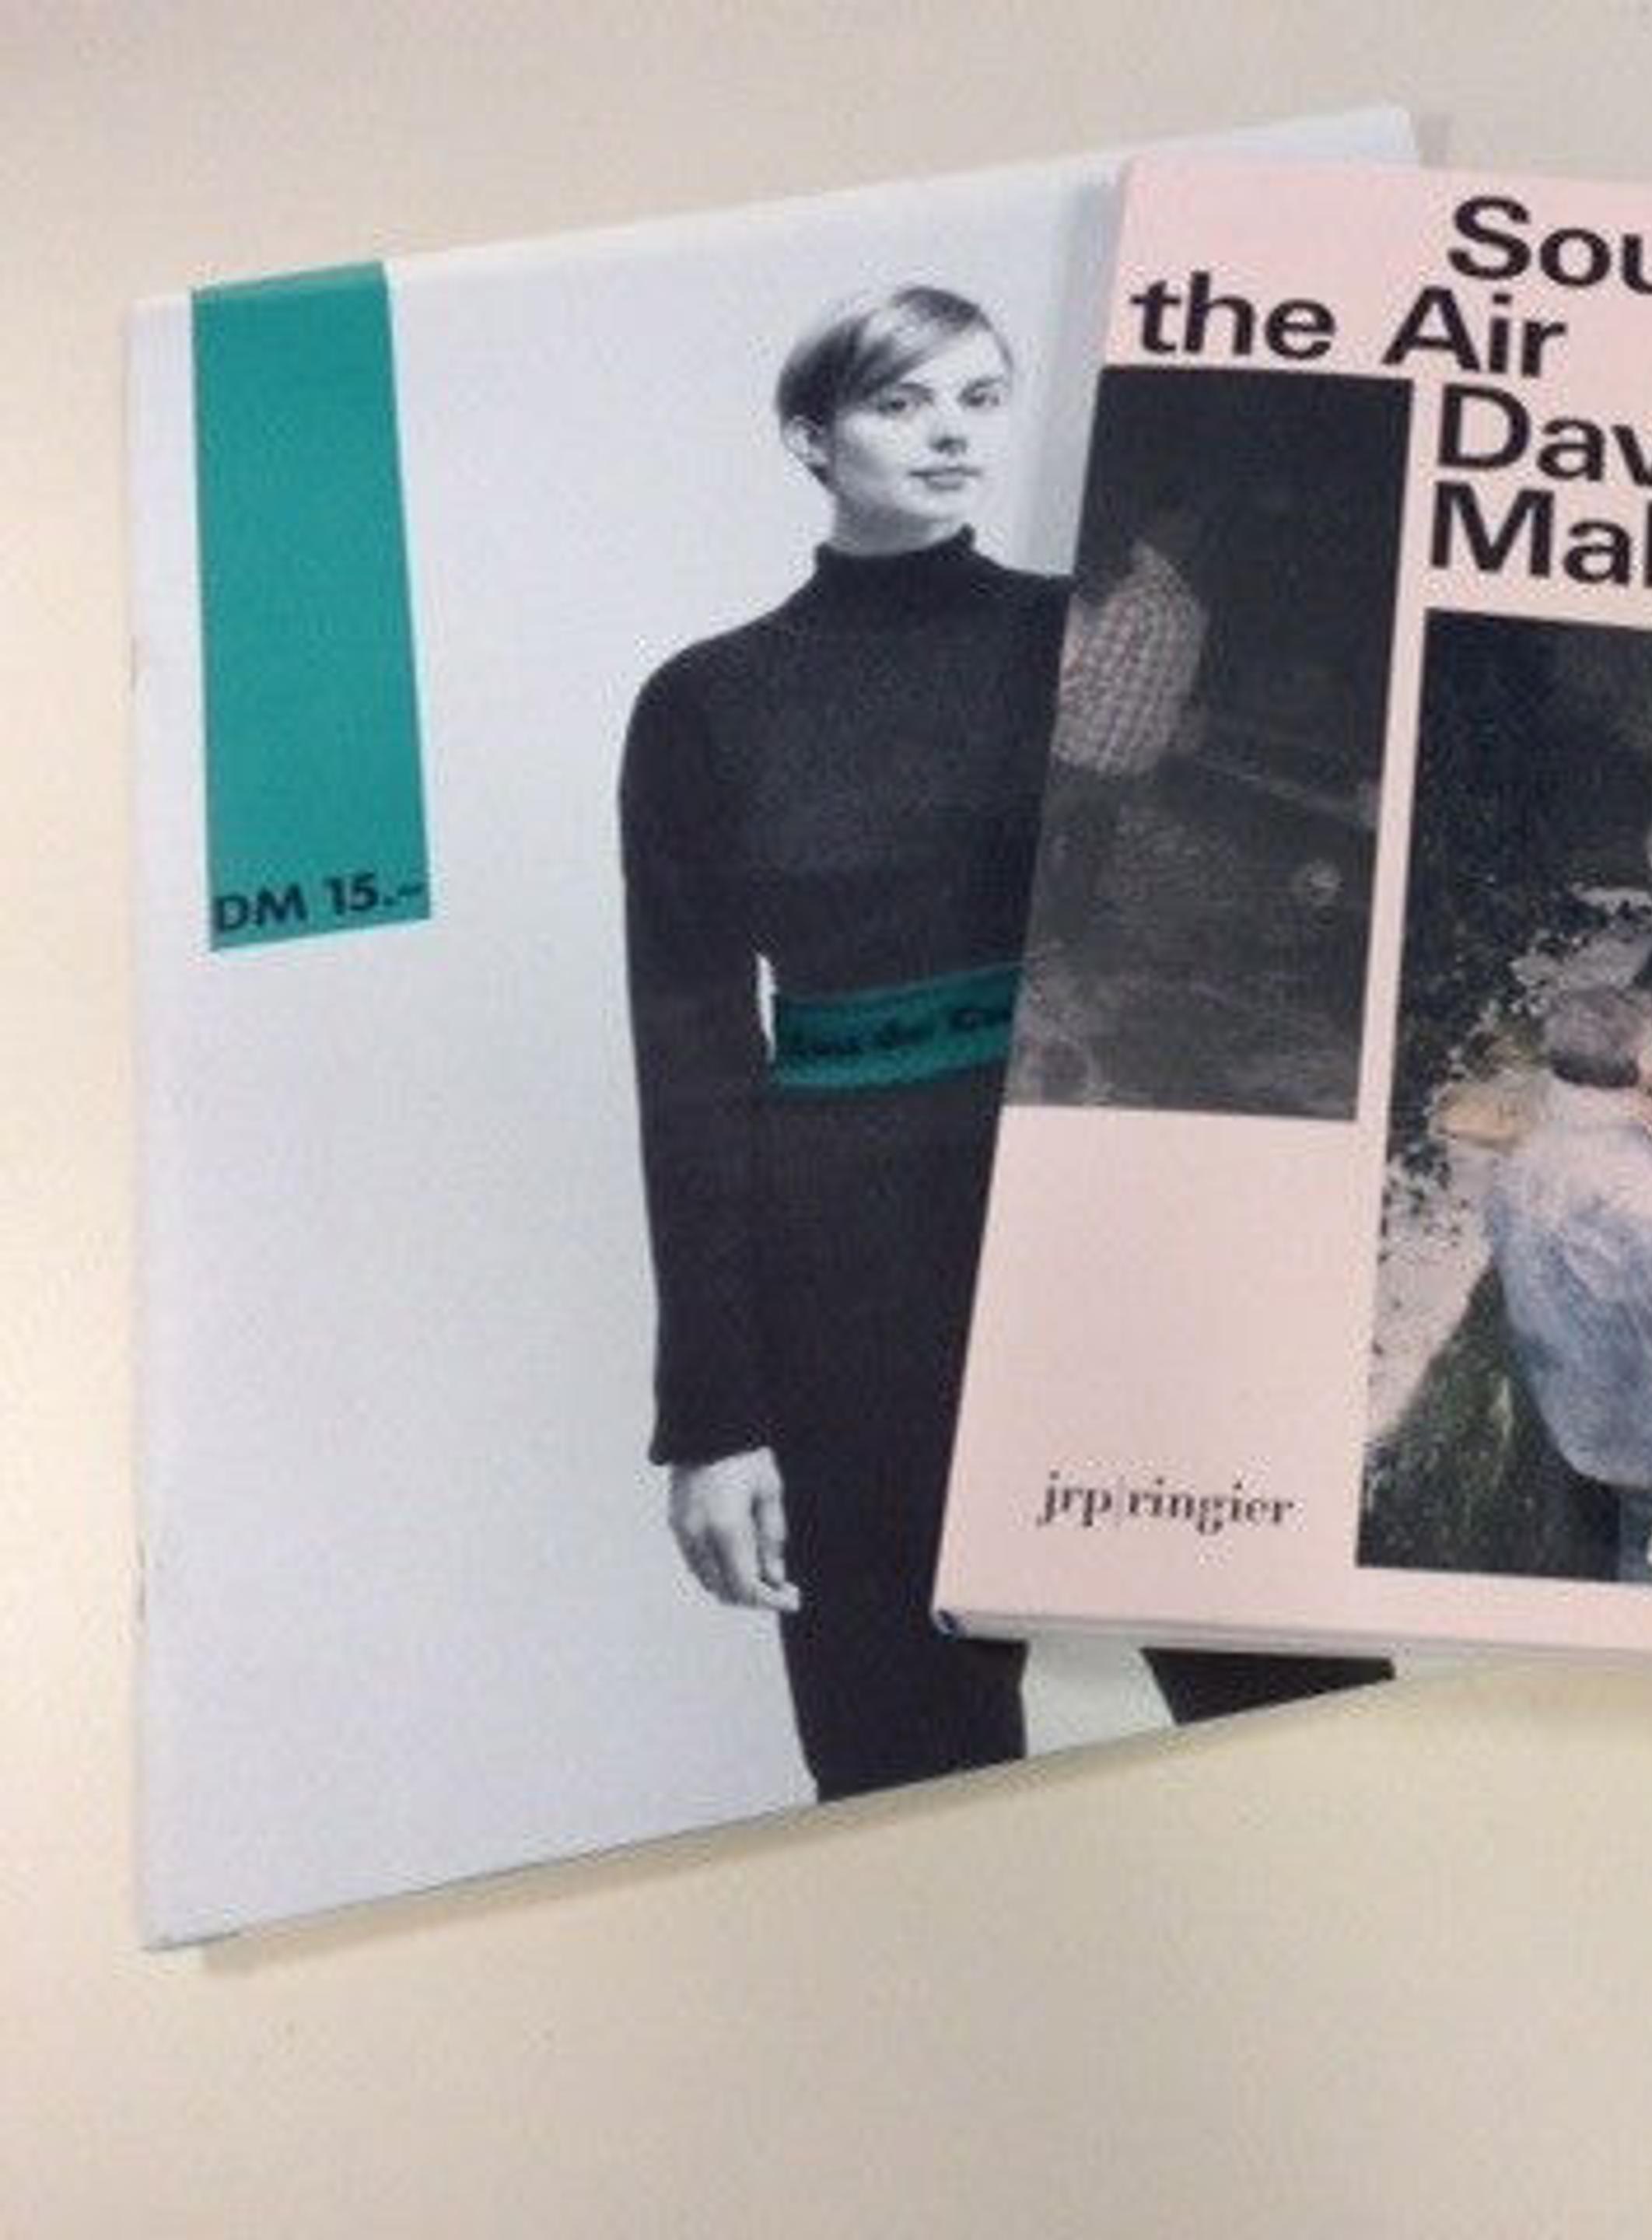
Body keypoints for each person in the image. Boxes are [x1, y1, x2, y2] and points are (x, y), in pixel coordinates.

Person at [621, 284, 1377, 1801]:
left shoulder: (1082, 638)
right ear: (810, 438)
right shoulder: (704, 704)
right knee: (905, 1775)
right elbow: (691, 1065)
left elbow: (1230, 946)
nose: (949, 434)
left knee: (1311, 1735)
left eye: (978, 398)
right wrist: (713, 1420)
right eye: (901, 403)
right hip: (848, 1277)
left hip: (1111, 1230)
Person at [1484, 983, 1652, 1584]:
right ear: (1645, 1060)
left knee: (1639, 1531)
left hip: (1575, 1413)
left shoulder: (1516, 1163)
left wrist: (1648, 1119)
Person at [1039, 502, 1209, 928]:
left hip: (1085, 747)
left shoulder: (1134, 598)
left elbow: (1091, 674)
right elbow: (1178, 691)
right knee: (1093, 833)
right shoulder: (1193, 611)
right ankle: (1073, 916)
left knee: (1040, 829)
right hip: (1134, 756)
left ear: (1150, 543)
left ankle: (1034, 916)